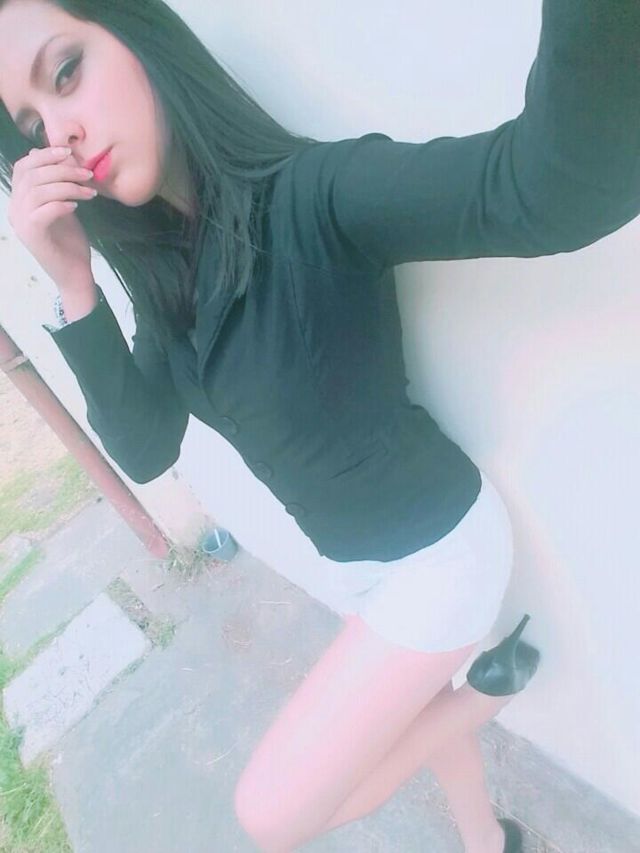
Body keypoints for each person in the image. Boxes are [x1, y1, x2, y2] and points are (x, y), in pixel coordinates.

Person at [0, 1, 637, 850]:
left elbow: (545, 188)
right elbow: (145, 449)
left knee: (274, 812)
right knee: (409, 714)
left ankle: (487, 694)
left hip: (439, 556)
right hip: (355, 568)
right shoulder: (168, 284)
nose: (62, 135)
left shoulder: (315, 197)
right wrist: (74, 284)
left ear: (139, 34)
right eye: (33, 127)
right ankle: (492, 841)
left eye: (66, 71)